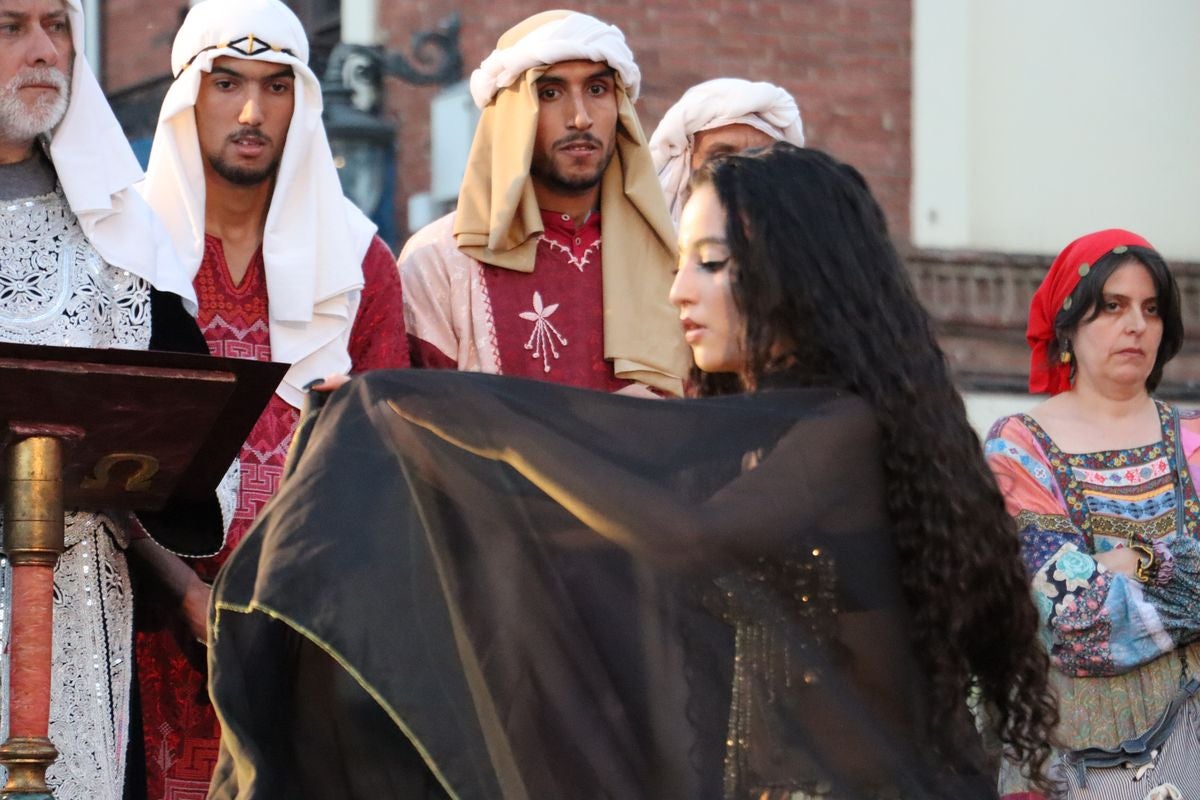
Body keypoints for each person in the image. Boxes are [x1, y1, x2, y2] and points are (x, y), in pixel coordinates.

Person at [204, 143, 1057, 799]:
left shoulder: (841, 430)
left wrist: (451, 416)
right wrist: (405, 445)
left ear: (804, 278)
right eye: (681, 261)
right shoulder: (741, 441)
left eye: (713, 264)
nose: (680, 290)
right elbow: (574, 528)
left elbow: (684, 534)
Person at [132, 0, 409, 796]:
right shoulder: (129, 254)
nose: (252, 112)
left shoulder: (361, 264)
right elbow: (98, 460)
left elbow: (381, 466)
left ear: (302, 103)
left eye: (276, 86)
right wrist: (186, 591)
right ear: (190, 97)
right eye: (227, 83)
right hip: (148, 627)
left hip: (313, 639)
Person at [0, 1, 218, 798]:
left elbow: (181, 440)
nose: (41, 51)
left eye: (57, 26)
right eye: (10, 27)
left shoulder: (116, 224)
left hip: (81, 608)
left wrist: (184, 583)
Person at [985, 229, 1200, 798]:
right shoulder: (1018, 450)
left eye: (1151, 309)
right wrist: (1184, 570)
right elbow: (1076, 621)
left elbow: (1100, 601)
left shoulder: (1196, 442)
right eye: (1113, 306)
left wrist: (1137, 560)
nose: (1136, 325)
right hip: (1070, 766)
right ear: (1068, 324)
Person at [399, 9, 687, 396]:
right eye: (549, 93)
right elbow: (417, 426)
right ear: (511, 120)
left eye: (597, 90)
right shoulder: (439, 262)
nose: (580, 118)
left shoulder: (676, 258)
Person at [648, 77, 805, 226]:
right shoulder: (635, 249)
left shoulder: (807, 251)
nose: (741, 171)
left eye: (758, 158)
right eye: (721, 158)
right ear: (683, 166)